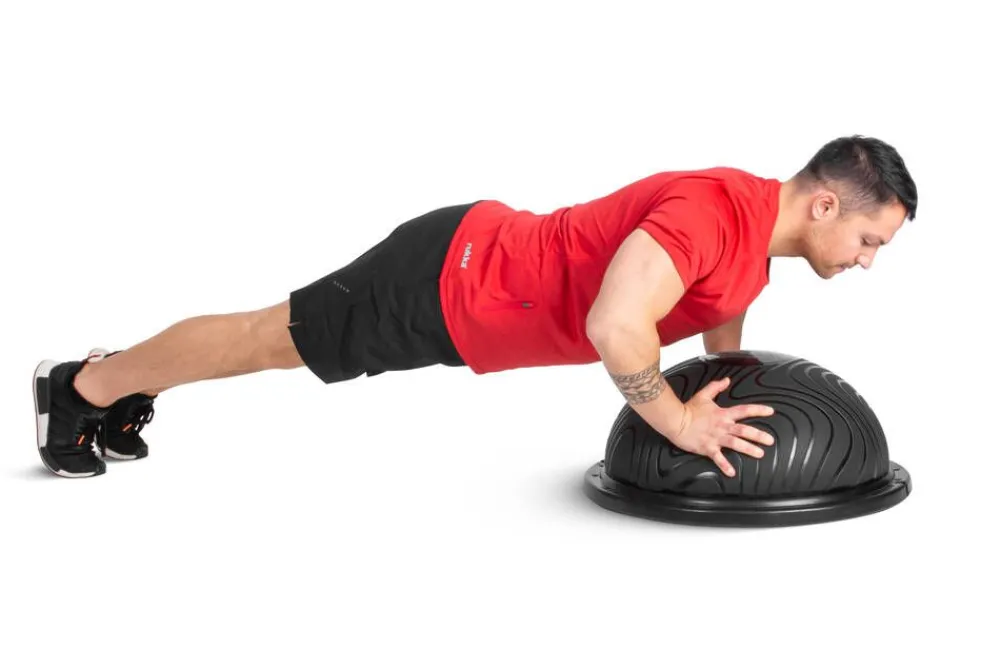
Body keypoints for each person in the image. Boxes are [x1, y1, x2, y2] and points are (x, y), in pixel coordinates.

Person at [32, 135, 918, 479]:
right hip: (450, 279)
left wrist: (732, 388)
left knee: (271, 341)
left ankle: (117, 383)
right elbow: (616, 326)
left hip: (477, 289)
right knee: (268, 340)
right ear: (824, 205)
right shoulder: (711, 213)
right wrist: (679, 424)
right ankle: (81, 387)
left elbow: (718, 332)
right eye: (870, 239)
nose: (868, 262)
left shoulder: (755, 243)